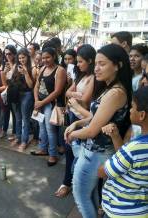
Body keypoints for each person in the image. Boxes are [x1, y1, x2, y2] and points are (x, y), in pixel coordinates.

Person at [65, 44, 132, 218]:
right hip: (95, 152)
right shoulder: (109, 88)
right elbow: (98, 118)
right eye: (95, 64)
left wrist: (72, 135)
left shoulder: (115, 93)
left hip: (95, 154)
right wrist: (77, 124)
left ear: (117, 65)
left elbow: (92, 131)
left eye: (102, 64)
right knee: (91, 194)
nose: (96, 68)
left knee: (80, 196)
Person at [98, 86, 148, 218]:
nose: (130, 110)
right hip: (141, 210)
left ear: (142, 115)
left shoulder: (135, 148)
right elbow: (128, 161)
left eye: (132, 107)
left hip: (120, 211)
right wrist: (116, 136)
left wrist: (107, 163)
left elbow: (103, 172)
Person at [55, 44, 95, 198]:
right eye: (77, 62)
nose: (77, 65)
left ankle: (78, 185)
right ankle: (67, 182)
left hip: (84, 119)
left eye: (80, 61)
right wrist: (75, 97)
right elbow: (67, 91)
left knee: (81, 154)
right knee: (69, 150)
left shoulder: (93, 78)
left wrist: (75, 98)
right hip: (73, 116)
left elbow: (85, 100)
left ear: (90, 60)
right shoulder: (81, 76)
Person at [31, 47, 67, 166]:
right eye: (43, 58)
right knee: (42, 127)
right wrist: (36, 100)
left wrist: (42, 103)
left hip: (50, 104)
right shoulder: (42, 68)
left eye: (48, 57)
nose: (45, 60)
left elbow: (57, 91)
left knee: (50, 129)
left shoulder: (60, 70)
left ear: (54, 57)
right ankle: (43, 149)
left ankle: (52, 155)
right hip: (40, 102)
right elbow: (36, 85)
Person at [9, 48, 35, 151]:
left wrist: (25, 73)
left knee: (25, 119)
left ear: (27, 57)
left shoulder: (32, 68)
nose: (21, 60)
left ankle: (24, 141)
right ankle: (18, 137)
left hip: (26, 95)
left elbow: (31, 85)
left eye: (23, 57)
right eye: (19, 58)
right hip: (16, 94)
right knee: (17, 118)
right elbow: (12, 80)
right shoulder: (16, 66)